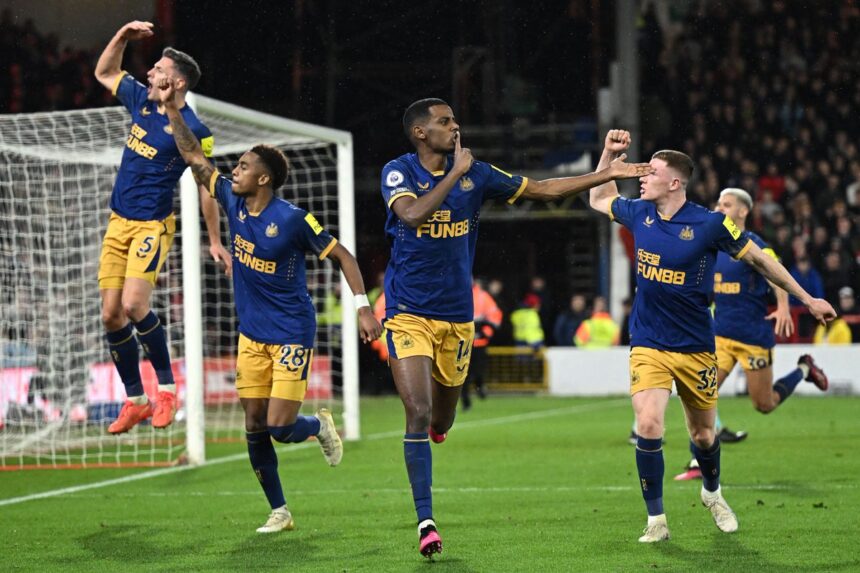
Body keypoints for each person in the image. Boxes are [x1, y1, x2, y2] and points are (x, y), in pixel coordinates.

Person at [381, 98, 652, 558]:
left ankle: (440, 429)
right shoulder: (398, 171)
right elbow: (411, 214)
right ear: (420, 133)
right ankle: (426, 520)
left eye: (453, 119)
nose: (455, 126)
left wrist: (605, 174)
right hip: (407, 311)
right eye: (444, 122)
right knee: (419, 412)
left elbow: (545, 189)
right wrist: (454, 174)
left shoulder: (478, 174)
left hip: (456, 318)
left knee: (441, 418)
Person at [588, 130, 836, 543]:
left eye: (651, 172)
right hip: (648, 342)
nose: (642, 177)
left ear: (675, 183)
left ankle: (712, 492)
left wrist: (807, 299)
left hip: (697, 346)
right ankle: (656, 520)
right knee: (648, 424)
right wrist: (608, 158)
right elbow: (597, 198)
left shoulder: (709, 224)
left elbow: (760, 260)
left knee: (703, 434)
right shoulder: (638, 213)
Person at [160, 78, 382, 533]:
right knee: (254, 424)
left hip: (291, 333)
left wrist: (362, 306)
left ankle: (318, 428)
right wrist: (172, 111)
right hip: (251, 336)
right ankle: (279, 510)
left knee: (281, 425)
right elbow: (195, 160)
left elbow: (342, 254)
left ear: (263, 178)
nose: (233, 171)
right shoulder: (232, 203)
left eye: (242, 166)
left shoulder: (294, 220)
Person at [93, 21, 230, 434]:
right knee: (111, 315)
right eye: (151, 68)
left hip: (152, 225)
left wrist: (214, 239)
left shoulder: (196, 130)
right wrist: (119, 35)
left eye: (157, 69)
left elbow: (206, 182)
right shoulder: (141, 100)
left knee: (135, 306)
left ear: (178, 81)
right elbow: (104, 73)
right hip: (117, 224)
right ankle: (136, 400)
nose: (149, 73)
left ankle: (167, 391)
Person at [674, 188, 830, 481]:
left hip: (752, 338)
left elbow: (776, 272)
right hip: (719, 337)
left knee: (765, 404)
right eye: (718, 202)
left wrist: (784, 306)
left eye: (727, 204)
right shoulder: (713, 244)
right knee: (700, 393)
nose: (719, 207)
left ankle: (804, 367)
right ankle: (697, 462)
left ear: (743, 212)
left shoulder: (754, 245)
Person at [461, 278, 502, 410]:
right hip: (463, 342)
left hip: (479, 342)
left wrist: (486, 332)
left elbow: (494, 316)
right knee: (463, 374)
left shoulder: (483, 297)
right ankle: (466, 401)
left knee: (477, 371)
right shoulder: (458, 294)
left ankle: (479, 386)